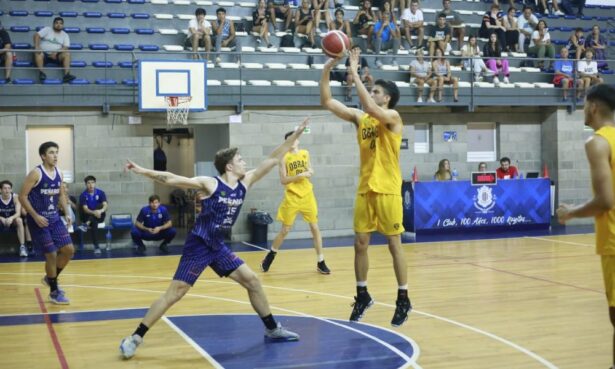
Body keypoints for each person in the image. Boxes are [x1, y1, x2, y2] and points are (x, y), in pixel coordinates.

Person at [118, 119, 310, 359]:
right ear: (229, 166)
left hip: (218, 246)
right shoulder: (211, 183)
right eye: (240, 160)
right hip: (199, 244)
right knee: (175, 293)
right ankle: (135, 338)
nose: (245, 162)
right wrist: (143, 170)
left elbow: (272, 159)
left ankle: (272, 329)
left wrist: (296, 134)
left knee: (252, 281)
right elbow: (171, 178)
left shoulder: (245, 183)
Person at [321, 48, 412, 327]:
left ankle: (403, 298)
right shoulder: (361, 120)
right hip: (365, 189)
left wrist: (354, 70)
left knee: (394, 244)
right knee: (360, 244)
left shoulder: (393, 117)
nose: (371, 94)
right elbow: (327, 101)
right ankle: (362, 294)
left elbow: (371, 108)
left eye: (376, 91)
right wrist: (327, 69)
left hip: (387, 189)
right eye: (370, 90)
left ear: (387, 98)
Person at [556, 84, 615, 369]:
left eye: (583, 104)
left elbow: (605, 201)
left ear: (593, 106)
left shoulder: (597, 142)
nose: (582, 109)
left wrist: (571, 212)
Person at [260, 131, 331, 274]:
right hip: (292, 196)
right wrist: (298, 176)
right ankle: (271, 255)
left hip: (307, 195)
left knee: (314, 227)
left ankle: (320, 261)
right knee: (285, 230)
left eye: (294, 139)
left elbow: (310, 169)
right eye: (290, 140)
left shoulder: (305, 153)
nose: (293, 141)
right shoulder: (283, 158)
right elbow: (283, 180)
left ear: (298, 140)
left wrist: (310, 172)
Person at [19, 142, 74, 304]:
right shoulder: (36, 173)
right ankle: (54, 292)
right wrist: (35, 216)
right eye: (51, 152)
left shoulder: (59, 173)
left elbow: (61, 194)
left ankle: (50, 278)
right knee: (51, 254)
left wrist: (67, 211)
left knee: (69, 250)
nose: (55, 155)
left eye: (57, 152)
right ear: (43, 156)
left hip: (55, 218)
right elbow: (22, 197)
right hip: (39, 220)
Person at [33, 17, 76, 83]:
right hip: (44, 54)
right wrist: (37, 46)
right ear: (53, 24)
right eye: (57, 23)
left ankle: (67, 75)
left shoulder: (65, 35)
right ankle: (41, 73)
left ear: (63, 25)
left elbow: (66, 47)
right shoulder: (47, 29)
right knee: (38, 53)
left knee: (67, 53)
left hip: (57, 55)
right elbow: (36, 35)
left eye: (61, 23)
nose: (58, 25)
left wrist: (56, 52)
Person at [78, 175, 108, 255]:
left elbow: (105, 205)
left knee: (99, 206)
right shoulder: (83, 195)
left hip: (100, 215)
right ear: (86, 184)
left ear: (95, 183)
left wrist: (100, 211)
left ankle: (86, 224)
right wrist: (95, 213)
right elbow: (85, 209)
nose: (91, 185)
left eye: (92, 183)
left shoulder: (101, 193)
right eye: (88, 183)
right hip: (88, 216)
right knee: (94, 222)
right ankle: (96, 247)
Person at [0, 180, 27, 257]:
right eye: (5, 188)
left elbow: (18, 213)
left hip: (12, 220)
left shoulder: (15, 197)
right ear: (0, 190)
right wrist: (1, 218)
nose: (7, 190)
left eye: (9, 188)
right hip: (1, 220)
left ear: (11, 189)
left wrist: (11, 218)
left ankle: (22, 247)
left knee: (19, 220)